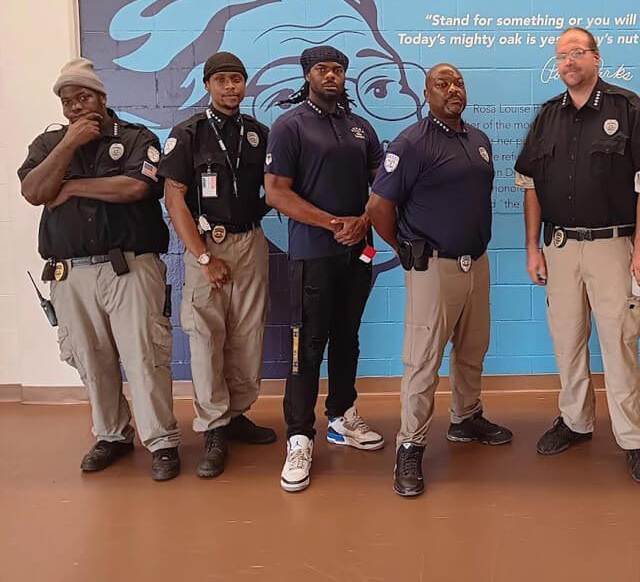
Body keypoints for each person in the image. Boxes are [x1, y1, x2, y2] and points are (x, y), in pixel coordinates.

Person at [514, 27, 640, 485]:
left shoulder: (626, 107)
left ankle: (635, 439)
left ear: (597, 58)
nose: (568, 62)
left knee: (619, 342)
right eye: (561, 56)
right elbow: (530, 186)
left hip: (613, 247)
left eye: (577, 53)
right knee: (566, 340)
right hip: (559, 247)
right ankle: (576, 421)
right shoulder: (547, 117)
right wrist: (532, 248)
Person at [18, 58, 181, 481]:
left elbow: (135, 187)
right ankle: (112, 435)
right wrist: (68, 146)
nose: (75, 107)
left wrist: (69, 187)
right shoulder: (48, 145)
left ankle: (161, 441)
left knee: (144, 355)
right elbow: (34, 192)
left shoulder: (134, 137)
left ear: (102, 98)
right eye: (67, 101)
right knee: (91, 358)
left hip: (129, 266)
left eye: (83, 97)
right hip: (70, 273)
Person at [367, 63, 512, 498]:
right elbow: (378, 207)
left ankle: (466, 418)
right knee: (423, 360)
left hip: (476, 263)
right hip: (433, 267)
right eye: (442, 84)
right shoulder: (410, 143)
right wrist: (403, 246)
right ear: (426, 93)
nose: (453, 89)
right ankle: (410, 444)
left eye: (458, 83)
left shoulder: (478, 140)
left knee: (472, 349)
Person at [265, 46, 385, 493]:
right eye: (323, 69)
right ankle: (299, 436)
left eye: (338, 69)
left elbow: (383, 184)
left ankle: (341, 417)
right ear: (308, 75)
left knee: (347, 337)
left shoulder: (359, 127)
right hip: (313, 251)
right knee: (307, 344)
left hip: (358, 251)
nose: (332, 75)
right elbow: (277, 192)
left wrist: (365, 221)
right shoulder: (290, 125)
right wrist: (332, 223)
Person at [158, 51, 277, 479]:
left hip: (250, 242)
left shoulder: (258, 134)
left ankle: (237, 412)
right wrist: (204, 258)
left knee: (248, 333)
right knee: (206, 335)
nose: (231, 87)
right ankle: (212, 426)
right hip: (207, 245)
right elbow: (174, 199)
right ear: (208, 84)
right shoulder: (188, 133)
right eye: (222, 80)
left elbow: (276, 187)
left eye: (238, 80)